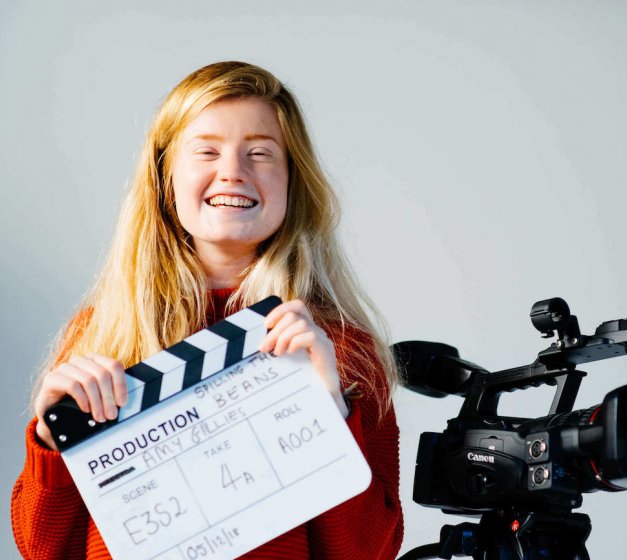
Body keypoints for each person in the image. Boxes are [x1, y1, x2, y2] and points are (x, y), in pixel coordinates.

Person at [11, 61, 404, 560]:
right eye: (206, 151)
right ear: (165, 176)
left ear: (293, 180)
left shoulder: (339, 346)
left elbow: (370, 552)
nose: (233, 171)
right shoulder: (104, 332)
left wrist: (329, 406)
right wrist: (51, 437)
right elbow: (43, 550)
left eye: (260, 153)